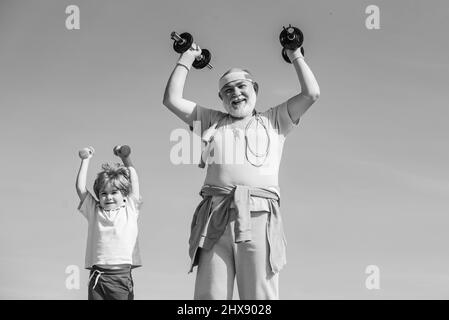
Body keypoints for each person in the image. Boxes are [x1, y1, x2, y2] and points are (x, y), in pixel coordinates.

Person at [163, 36, 320, 299]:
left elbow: (311, 93)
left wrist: (295, 54)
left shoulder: (275, 119)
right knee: (210, 298)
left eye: (241, 86)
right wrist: (187, 57)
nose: (235, 93)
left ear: (255, 88)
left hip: (259, 215)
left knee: (259, 297)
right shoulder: (211, 120)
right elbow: (172, 99)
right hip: (216, 216)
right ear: (220, 98)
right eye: (228, 90)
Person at [75, 145, 142, 300]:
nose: (108, 197)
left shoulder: (130, 208)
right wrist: (86, 160)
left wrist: (125, 158)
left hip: (120, 278)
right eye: (103, 194)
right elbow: (80, 188)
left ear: (124, 194)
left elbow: (135, 179)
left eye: (114, 193)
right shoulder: (94, 210)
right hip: (97, 277)